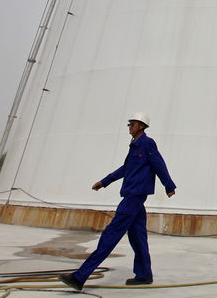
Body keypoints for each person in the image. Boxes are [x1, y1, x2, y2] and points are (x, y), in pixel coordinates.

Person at [59, 112, 176, 291]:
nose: (129, 126)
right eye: (129, 124)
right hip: (132, 196)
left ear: (141, 126)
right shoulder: (134, 146)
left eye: (133, 124)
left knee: (110, 235)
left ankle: (79, 277)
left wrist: (169, 186)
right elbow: (125, 168)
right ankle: (144, 274)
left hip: (134, 196)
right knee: (138, 237)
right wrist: (104, 182)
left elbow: (159, 163)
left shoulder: (146, 143)